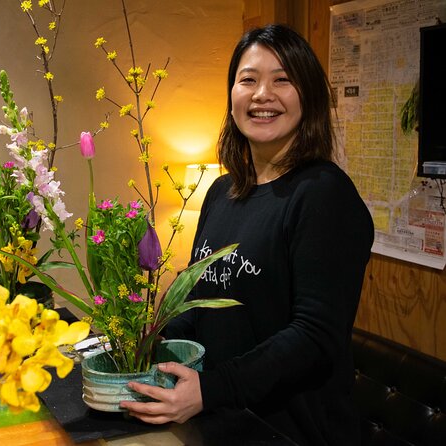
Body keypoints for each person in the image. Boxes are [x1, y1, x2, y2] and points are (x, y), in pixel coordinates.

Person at [119, 23, 374, 446]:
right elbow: (201, 302)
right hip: (220, 422)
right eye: (248, 80)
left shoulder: (324, 195)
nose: (262, 95)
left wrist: (210, 389)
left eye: (282, 81)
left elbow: (314, 336)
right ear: (232, 96)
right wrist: (147, 335)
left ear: (307, 96)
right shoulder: (223, 191)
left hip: (288, 430)